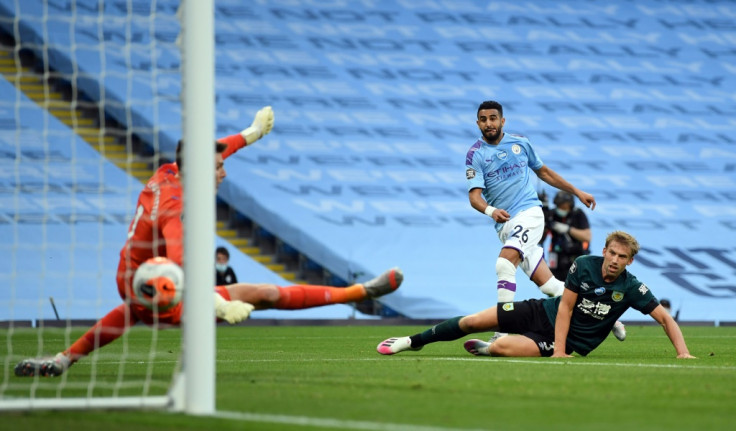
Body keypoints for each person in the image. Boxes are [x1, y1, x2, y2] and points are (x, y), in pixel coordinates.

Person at [15, 106, 404, 377]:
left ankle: (357, 292)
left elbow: (221, 147)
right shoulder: (176, 209)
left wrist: (251, 134)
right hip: (157, 285)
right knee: (248, 296)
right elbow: (181, 266)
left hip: (140, 273)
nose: (223, 172)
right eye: (217, 168)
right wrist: (216, 303)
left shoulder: (173, 171)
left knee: (263, 292)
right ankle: (356, 293)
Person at [377, 231, 695, 359]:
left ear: (629, 261)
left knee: (502, 347)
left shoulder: (631, 288)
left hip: (569, 342)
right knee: (475, 320)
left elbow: (665, 318)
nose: (614, 260)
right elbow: (566, 308)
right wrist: (557, 352)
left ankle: (490, 349)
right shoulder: (584, 265)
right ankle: (411, 342)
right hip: (542, 312)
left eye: (621, 257)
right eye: (611, 253)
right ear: (604, 251)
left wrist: (682, 353)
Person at [466, 100, 597, 341]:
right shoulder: (475, 154)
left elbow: (544, 173)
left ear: (502, 121)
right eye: (483, 120)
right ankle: (606, 318)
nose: (489, 123)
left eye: (493, 118)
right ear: (478, 123)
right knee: (550, 287)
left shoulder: (520, 143)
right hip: (505, 224)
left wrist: (577, 191)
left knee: (504, 264)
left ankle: (502, 332)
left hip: (530, 214)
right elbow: (475, 197)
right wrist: (491, 211)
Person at [545, 190, 627, 341]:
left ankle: (612, 321)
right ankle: (559, 328)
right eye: (559, 205)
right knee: (555, 293)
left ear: (570, 205)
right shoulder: (551, 214)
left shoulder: (578, 214)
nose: (561, 208)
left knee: (584, 296)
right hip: (556, 261)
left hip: (575, 259)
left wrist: (567, 229)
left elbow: (586, 236)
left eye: (564, 205)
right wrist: (543, 214)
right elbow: (541, 237)